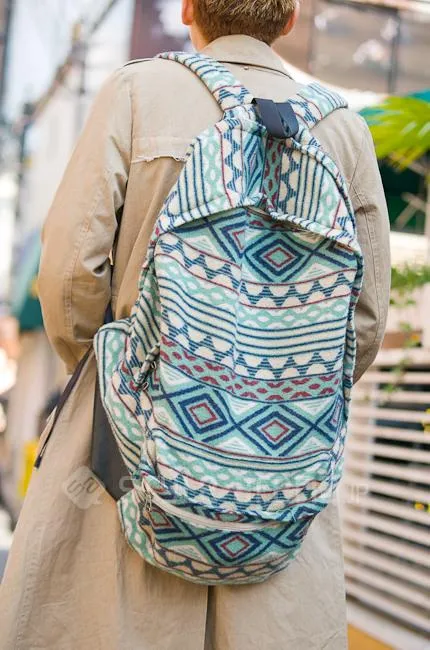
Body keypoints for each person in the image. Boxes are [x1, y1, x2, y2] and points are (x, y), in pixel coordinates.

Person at [0, 1, 391, 648]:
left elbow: (70, 276)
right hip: (279, 490)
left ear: (188, 9)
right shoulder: (345, 132)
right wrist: (273, 394)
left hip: (129, 466)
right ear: (290, 19)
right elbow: (367, 320)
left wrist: (127, 382)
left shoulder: (137, 93)